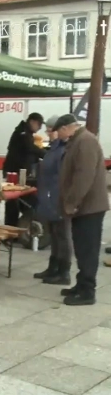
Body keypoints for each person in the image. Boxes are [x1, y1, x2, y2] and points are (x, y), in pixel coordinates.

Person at [56, 114, 109, 306]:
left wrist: (72, 203)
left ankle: (87, 291)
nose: (59, 135)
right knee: (82, 248)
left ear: (66, 128)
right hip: (85, 207)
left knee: (87, 249)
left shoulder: (85, 141)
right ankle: (81, 284)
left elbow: (83, 176)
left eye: (59, 131)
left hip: (88, 208)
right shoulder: (79, 140)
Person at [33, 115, 72, 285]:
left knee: (62, 235)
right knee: (54, 234)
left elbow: (62, 175)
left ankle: (63, 272)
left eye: (51, 131)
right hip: (49, 196)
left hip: (57, 197)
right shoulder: (55, 146)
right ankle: (53, 267)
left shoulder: (65, 148)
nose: (49, 134)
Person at [2, 113, 46, 226]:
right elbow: (29, 148)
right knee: (13, 200)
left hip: (20, 171)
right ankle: (11, 227)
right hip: (13, 171)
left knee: (18, 199)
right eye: (39, 125)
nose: (40, 128)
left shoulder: (27, 133)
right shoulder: (22, 132)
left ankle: (16, 225)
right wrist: (45, 153)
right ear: (32, 122)